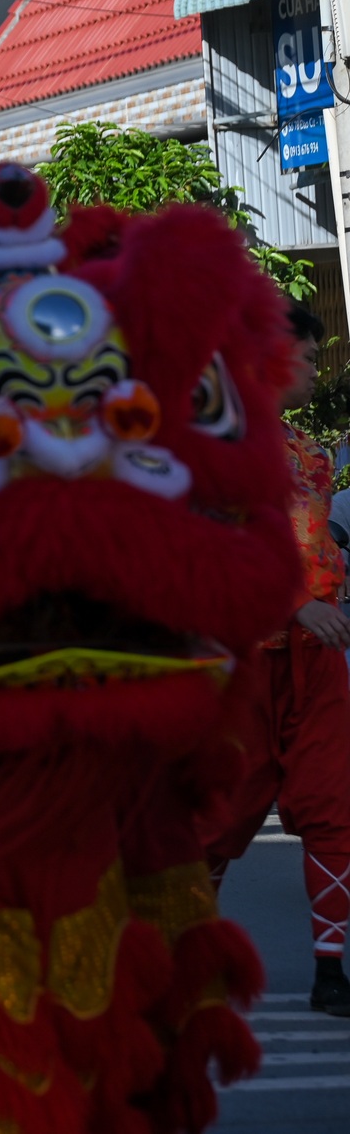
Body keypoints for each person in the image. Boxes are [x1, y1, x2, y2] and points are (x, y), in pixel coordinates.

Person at [201, 301, 350, 1017]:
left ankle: (329, 971)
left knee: (335, 806)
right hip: (240, 658)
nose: (318, 372)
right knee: (220, 818)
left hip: (316, 660)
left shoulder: (312, 455)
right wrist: (296, 605)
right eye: (310, 358)